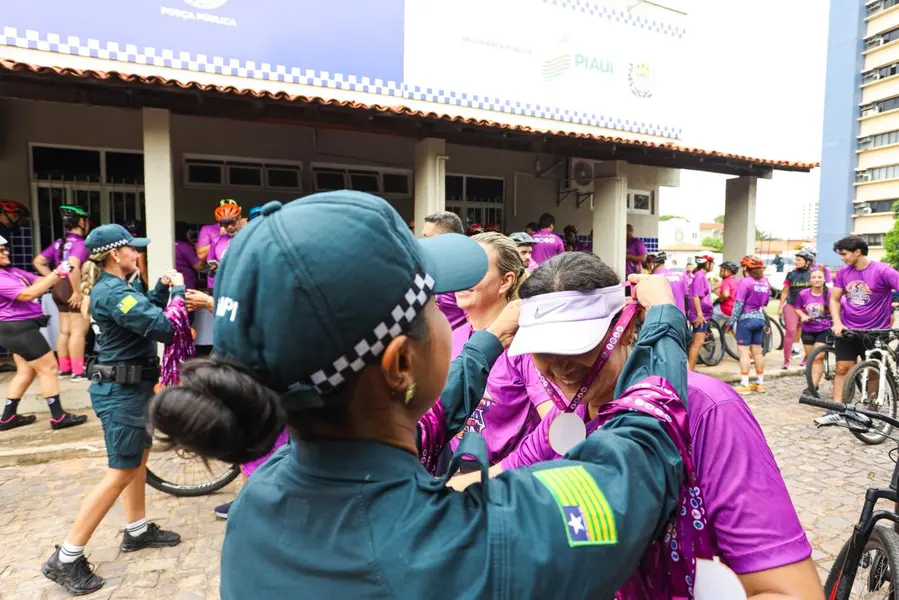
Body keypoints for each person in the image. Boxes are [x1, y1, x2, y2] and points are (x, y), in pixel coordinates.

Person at [148, 191, 695, 599]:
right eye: (434, 303)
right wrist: (664, 320)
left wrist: (487, 341)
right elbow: (642, 458)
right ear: (401, 363)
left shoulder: (263, 497)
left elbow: (420, 417)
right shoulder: (469, 546)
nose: (449, 311)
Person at [453, 252, 821, 599]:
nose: (561, 368)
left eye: (578, 345)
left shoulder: (707, 409)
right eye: (544, 350)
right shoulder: (569, 418)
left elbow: (791, 590)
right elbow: (494, 478)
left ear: (626, 329)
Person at [41, 224, 184, 595]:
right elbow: (164, 327)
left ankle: (136, 530)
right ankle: (67, 557)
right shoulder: (113, 292)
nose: (138, 253)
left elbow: (142, 310)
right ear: (115, 254)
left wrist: (160, 289)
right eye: (133, 249)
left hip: (133, 387)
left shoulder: (121, 289)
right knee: (120, 472)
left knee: (137, 461)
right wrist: (181, 292)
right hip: (120, 392)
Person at [447, 232, 546, 467]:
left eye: (477, 270)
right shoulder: (454, 336)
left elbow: (556, 422)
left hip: (502, 481)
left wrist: (503, 473)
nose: (464, 278)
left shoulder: (524, 344)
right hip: (450, 470)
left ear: (505, 281)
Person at [0, 235, 87, 431]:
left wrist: (58, 276)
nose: (6, 252)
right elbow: (28, 294)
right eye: (1, 250)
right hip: (18, 329)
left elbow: (40, 281)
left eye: (6, 248)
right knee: (49, 368)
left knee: (26, 372)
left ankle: (7, 418)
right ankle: (58, 417)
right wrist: (57, 273)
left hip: (20, 328)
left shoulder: (11, 272)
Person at [826, 235, 899, 421]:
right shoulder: (843, 272)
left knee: (873, 371)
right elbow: (834, 299)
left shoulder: (884, 271)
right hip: (847, 329)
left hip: (875, 332)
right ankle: (836, 409)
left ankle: (871, 407)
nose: (842, 258)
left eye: (844, 254)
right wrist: (837, 322)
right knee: (842, 368)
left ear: (857, 251)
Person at [33, 205, 92, 381]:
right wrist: (77, 292)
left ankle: (64, 368)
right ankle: (77, 371)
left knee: (64, 330)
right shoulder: (80, 244)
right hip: (73, 288)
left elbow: (38, 261)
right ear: (81, 221)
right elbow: (74, 266)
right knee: (78, 331)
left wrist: (55, 279)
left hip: (59, 289)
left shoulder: (59, 242)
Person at [728, 256, 771, 395]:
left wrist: (731, 321)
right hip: (759, 319)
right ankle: (760, 382)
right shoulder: (765, 283)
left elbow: (739, 304)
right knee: (757, 353)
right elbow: (766, 303)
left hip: (746, 320)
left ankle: (745, 383)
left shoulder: (745, 282)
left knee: (744, 352)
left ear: (746, 268)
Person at [423, 211, 468, 329]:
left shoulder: (465, 273)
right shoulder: (430, 268)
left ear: (450, 239)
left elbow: (475, 322)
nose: (423, 243)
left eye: (427, 237)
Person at [795, 267, 833, 394]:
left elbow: (839, 307)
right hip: (808, 329)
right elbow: (798, 308)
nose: (817, 280)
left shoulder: (830, 293)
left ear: (824, 279)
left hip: (825, 329)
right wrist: (802, 316)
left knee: (818, 357)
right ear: (810, 279)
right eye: (814, 277)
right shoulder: (803, 294)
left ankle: (812, 387)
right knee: (810, 358)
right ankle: (813, 384)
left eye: (819, 277)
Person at [779, 249, 815, 370]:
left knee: (807, 332)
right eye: (796, 259)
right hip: (791, 305)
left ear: (807, 262)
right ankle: (786, 360)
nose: (796, 262)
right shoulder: (791, 274)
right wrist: (780, 307)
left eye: (799, 260)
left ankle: (807, 358)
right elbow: (785, 292)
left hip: (807, 307)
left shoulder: (813, 274)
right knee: (790, 331)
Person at [687, 254, 715, 371]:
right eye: (712, 262)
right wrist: (699, 314)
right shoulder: (699, 276)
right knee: (698, 343)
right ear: (706, 263)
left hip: (703, 314)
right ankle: (690, 371)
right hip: (701, 315)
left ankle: (691, 369)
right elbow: (696, 297)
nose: (713, 265)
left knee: (697, 342)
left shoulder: (701, 276)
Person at [207, 202, 242, 292]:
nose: (229, 227)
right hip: (221, 288)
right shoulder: (216, 241)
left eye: (232, 222)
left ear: (239, 218)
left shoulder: (249, 238)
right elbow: (210, 265)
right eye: (225, 223)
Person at [174, 221, 205, 293]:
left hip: (175, 283)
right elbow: (199, 266)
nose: (190, 235)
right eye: (189, 233)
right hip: (186, 284)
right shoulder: (184, 246)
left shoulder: (172, 245)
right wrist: (201, 251)